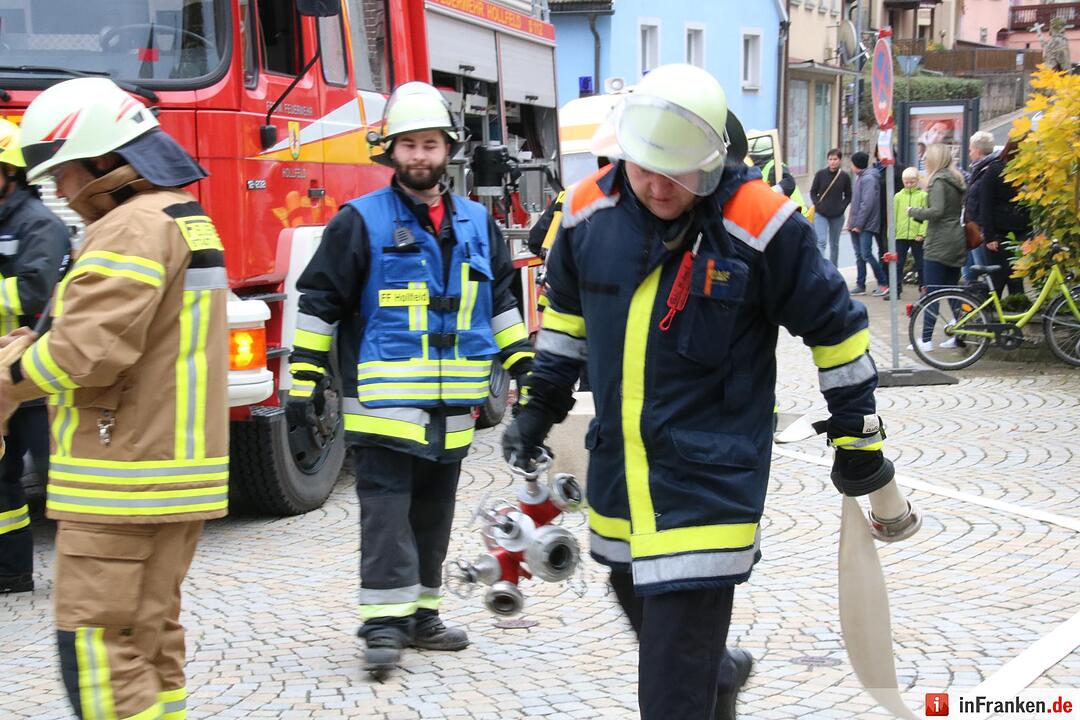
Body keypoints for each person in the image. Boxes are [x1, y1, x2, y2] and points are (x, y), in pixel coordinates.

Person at [503, 63, 896, 720]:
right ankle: (716, 675)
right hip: (621, 480)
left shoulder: (761, 224)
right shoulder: (585, 212)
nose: (656, 185)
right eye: (644, 166)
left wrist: (857, 434)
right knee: (653, 620)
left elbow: (837, 327)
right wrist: (540, 403)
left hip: (711, 484)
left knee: (667, 690)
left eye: (676, 172)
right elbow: (567, 315)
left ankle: (701, 679)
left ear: (713, 160)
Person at [287, 81, 535, 676]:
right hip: (384, 409)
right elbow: (320, 302)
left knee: (433, 516)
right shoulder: (359, 222)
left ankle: (422, 616)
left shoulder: (478, 223)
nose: (419, 156)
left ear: (448, 149)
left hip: (452, 412)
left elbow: (499, 303)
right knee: (386, 517)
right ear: (390, 152)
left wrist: (524, 365)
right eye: (408, 145)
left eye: (429, 144)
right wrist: (302, 384)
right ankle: (382, 624)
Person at [1, 77, 229, 718]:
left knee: (98, 649)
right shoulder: (180, 215)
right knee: (150, 640)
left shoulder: (129, 228)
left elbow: (83, 356)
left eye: (63, 175)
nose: (61, 194)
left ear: (102, 161)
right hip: (171, 474)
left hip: (122, 478)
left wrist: (11, 374)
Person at [0, 119, 71, 595]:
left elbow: (33, 291)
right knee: (4, 480)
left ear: (10, 172)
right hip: (6, 374)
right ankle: (11, 573)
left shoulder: (39, 224)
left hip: (36, 373)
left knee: (60, 479)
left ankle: (86, 574)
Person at [907, 143, 968, 352]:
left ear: (935, 159)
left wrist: (914, 211)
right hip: (955, 238)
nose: (924, 160)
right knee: (952, 290)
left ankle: (925, 340)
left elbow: (937, 211)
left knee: (932, 290)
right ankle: (960, 334)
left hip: (940, 240)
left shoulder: (938, 181)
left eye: (926, 158)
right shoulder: (956, 179)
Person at [979, 135, 1029, 297]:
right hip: (999, 234)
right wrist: (989, 236)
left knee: (1017, 281)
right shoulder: (995, 170)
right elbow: (985, 205)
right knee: (997, 281)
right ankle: (989, 316)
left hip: (1020, 232)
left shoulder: (1027, 172)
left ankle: (1014, 311)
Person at [847, 151, 888, 296]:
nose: (850, 166)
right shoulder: (861, 178)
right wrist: (851, 223)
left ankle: (883, 282)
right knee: (860, 255)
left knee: (866, 254)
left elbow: (867, 203)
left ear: (856, 164)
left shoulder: (868, 179)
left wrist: (858, 224)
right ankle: (860, 284)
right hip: (857, 224)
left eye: (852, 163)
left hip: (866, 224)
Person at [961, 131, 997, 285]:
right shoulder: (979, 169)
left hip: (978, 230)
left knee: (979, 271)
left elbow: (985, 203)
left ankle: (976, 304)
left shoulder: (986, 171)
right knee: (968, 272)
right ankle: (967, 305)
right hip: (972, 228)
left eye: (970, 150)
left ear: (978, 150)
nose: (969, 153)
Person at [808, 148, 852, 266]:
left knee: (834, 244)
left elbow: (848, 195)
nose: (832, 162)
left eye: (835, 159)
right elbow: (813, 192)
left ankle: (833, 269)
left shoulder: (844, 177)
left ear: (840, 160)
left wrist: (842, 207)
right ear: (827, 160)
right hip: (821, 213)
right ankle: (821, 268)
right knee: (821, 242)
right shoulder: (820, 174)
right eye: (830, 159)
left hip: (837, 215)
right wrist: (817, 204)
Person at [892, 167, 927, 298]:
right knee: (897, 263)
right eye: (906, 182)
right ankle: (896, 290)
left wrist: (922, 233)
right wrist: (892, 233)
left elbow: (925, 217)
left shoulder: (923, 196)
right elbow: (893, 216)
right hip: (901, 234)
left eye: (911, 182)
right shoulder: (898, 197)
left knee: (921, 263)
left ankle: (923, 289)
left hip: (916, 235)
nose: (909, 185)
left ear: (917, 181)